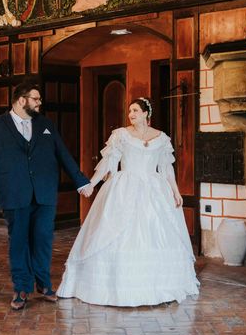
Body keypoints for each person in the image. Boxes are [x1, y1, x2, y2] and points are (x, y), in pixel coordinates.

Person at [58, 97, 199, 306]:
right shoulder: (121, 135)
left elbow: (167, 168)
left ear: (145, 114)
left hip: (154, 189)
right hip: (125, 187)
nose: (131, 114)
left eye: (135, 110)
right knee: (117, 232)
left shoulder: (161, 138)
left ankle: (157, 285)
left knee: (154, 232)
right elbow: (108, 163)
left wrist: (176, 192)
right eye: (129, 111)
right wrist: (91, 183)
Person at [0, 82, 91, 311]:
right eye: (35, 99)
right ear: (22, 100)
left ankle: (45, 285)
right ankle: (21, 288)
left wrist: (82, 181)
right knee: (18, 242)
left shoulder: (46, 124)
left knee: (43, 241)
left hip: (45, 193)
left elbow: (63, 154)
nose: (40, 103)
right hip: (14, 192)